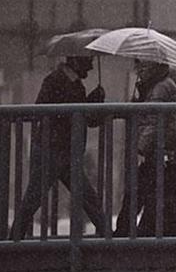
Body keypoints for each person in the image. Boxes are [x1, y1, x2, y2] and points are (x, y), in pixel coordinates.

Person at [9, 55, 107, 240]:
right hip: (53, 150)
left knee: (85, 197)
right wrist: (85, 105)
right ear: (77, 62)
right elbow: (45, 110)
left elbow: (82, 116)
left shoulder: (72, 83)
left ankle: (12, 240)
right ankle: (110, 239)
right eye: (88, 62)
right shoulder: (56, 80)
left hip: (62, 151)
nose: (91, 68)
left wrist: (93, 101)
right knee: (36, 198)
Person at [113, 60, 176, 237]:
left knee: (137, 193)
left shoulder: (160, 88)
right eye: (137, 66)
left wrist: (140, 149)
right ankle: (128, 234)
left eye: (143, 66)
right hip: (166, 154)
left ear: (155, 67)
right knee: (148, 195)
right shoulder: (161, 86)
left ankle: (122, 235)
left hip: (161, 154)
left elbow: (153, 122)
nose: (139, 70)